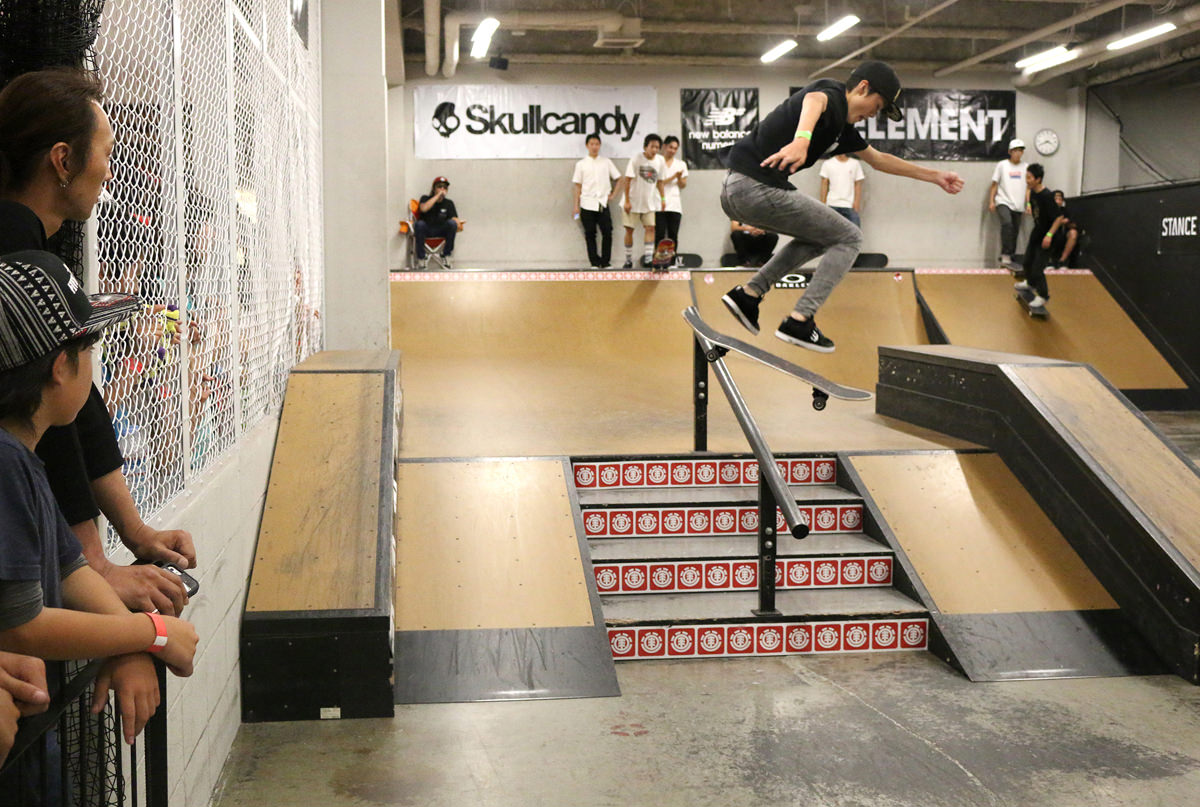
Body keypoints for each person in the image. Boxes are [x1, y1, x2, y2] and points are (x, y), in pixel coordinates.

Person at [0, 67, 196, 617]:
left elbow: (79, 402)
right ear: (63, 161)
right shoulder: (16, 252)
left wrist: (133, 531)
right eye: (105, 153)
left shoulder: (31, 240)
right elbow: (44, 412)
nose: (110, 170)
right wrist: (93, 565)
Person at [0, 250, 199, 755]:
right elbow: (23, 626)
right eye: (89, 349)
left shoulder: (21, 455)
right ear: (61, 367)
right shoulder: (5, 461)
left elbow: (71, 568)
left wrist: (130, 642)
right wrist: (151, 633)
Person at [719, 61, 963, 353]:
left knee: (821, 237)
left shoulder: (844, 130)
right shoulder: (833, 94)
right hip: (755, 187)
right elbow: (814, 99)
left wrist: (935, 176)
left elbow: (879, 160)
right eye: (877, 106)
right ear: (863, 87)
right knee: (851, 237)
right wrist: (802, 139)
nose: (873, 114)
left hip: (738, 191)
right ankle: (800, 319)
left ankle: (749, 295)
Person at [1014, 163, 1061, 311]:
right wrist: (1029, 205)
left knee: (1037, 267)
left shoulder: (1047, 196)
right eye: (1026, 177)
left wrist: (1049, 235)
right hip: (1038, 230)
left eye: (1029, 178)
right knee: (1027, 261)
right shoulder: (1033, 191)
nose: (1026, 180)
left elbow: (1059, 218)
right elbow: (1029, 192)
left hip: (1049, 234)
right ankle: (1030, 283)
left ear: (1038, 179)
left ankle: (1043, 295)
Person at [571, 133, 621, 268]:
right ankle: (594, 262)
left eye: (597, 144)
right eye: (592, 144)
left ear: (600, 145)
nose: (594, 147)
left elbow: (619, 178)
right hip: (586, 203)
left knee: (607, 232)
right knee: (590, 234)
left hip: (602, 202)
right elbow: (577, 186)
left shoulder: (606, 162)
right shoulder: (581, 164)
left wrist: (613, 195)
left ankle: (605, 261)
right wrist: (576, 206)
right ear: (587, 146)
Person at [621, 133, 666, 268]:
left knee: (650, 228)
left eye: (657, 147)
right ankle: (628, 259)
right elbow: (627, 180)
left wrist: (663, 199)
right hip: (632, 201)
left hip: (649, 202)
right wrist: (627, 200)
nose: (654, 150)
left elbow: (660, 181)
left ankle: (648, 259)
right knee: (629, 230)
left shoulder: (660, 161)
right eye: (652, 146)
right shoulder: (636, 159)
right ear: (645, 147)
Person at [988, 138, 1027, 271]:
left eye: (1020, 151)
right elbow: (994, 184)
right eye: (1015, 150)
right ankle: (1005, 254)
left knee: (1015, 231)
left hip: (1019, 204)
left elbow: (1029, 188)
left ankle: (1010, 256)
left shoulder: (1026, 167)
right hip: (1003, 201)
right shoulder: (1002, 165)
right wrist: (991, 201)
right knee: (1007, 224)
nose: (1018, 153)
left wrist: (1028, 204)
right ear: (1010, 152)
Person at [415, 176, 463, 269]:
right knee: (419, 224)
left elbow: (454, 218)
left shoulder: (449, 203)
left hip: (441, 230)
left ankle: (446, 255)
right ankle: (421, 257)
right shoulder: (425, 198)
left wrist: (458, 223)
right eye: (439, 187)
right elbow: (423, 209)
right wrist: (437, 196)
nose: (442, 189)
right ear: (434, 189)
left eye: (444, 188)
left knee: (452, 223)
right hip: (426, 229)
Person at [655, 135, 689, 264]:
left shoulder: (681, 164)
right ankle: (658, 261)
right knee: (659, 234)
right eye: (670, 147)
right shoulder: (657, 162)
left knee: (673, 234)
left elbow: (683, 185)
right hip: (658, 203)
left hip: (675, 205)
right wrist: (674, 176)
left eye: (675, 148)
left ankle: (671, 262)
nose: (673, 151)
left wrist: (679, 178)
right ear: (664, 146)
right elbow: (658, 183)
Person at [818, 153, 865, 227]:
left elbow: (858, 184)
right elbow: (824, 184)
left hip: (849, 205)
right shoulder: (828, 164)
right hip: (832, 204)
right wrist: (823, 204)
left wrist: (856, 203)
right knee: (829, 232)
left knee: (855, 231)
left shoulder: (855, 164)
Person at [1048, 189, 1080, 270]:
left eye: (1060, 199)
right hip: (1050, 235)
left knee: (1073, 233)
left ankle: (1062, 261)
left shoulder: (1066, 210)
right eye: (1056, 198)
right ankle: (1049, 261)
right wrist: (1059, 222)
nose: (1058, 201)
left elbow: (1074, 223)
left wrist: (1067, 222)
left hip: (1063, 235)